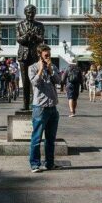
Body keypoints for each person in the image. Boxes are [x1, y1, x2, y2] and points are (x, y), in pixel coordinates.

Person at [28, 45, 62, 173]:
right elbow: (35, 83)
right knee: (36, 138)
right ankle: (35, 164)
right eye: (46, 55)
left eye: (49, 55)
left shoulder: (52, 67)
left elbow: (59, 81)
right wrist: (41, 70)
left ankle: (49, 163)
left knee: (50, 139)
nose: (48, 57)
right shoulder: (32, 68)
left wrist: (50, 70)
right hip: (40, 107)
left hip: (53, 107)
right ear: (40, 55)